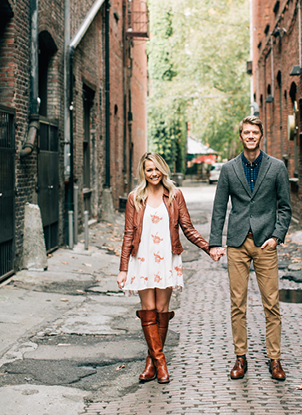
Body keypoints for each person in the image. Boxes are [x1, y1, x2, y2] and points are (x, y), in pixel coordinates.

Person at [117, 152, 215, 384]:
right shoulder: (135, 197)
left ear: (163, 169)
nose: (153, 173)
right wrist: (123, 268)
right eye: (149, 170)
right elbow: (129, 233)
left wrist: (208, 248)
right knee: (148, 309)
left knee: (162, 310)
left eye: (156, 168)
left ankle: (151, 361)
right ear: (144, 172)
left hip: (166, 259)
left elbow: (187, 227)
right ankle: (161, 363)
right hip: (141, 259)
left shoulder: (175, 195)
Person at [209, 116, 291, 381]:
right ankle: (240, 358)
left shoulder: (277, 167)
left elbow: (285, 207)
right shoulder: (229, 169)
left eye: (255, 132)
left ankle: (274, 359)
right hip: (236, 244)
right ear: (241, 136)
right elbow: (220, 208)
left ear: (261, 136)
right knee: (238, 304)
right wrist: (214, 243)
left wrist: (277, 236)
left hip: (266, 243)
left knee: (271, 304)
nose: (251, 136)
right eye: (246, 132)